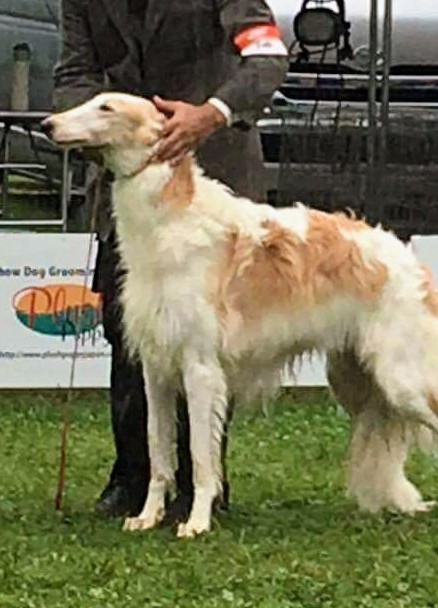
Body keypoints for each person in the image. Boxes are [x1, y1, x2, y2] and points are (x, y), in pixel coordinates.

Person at [53, 0, 289, 521]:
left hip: (216, 180)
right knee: (127, 331)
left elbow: (268, 58)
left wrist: (211, 114)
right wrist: (96, 130)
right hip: (132, 190)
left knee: (204, 343)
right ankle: (134, 477)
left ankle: (202, 485)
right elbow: (74, 74)